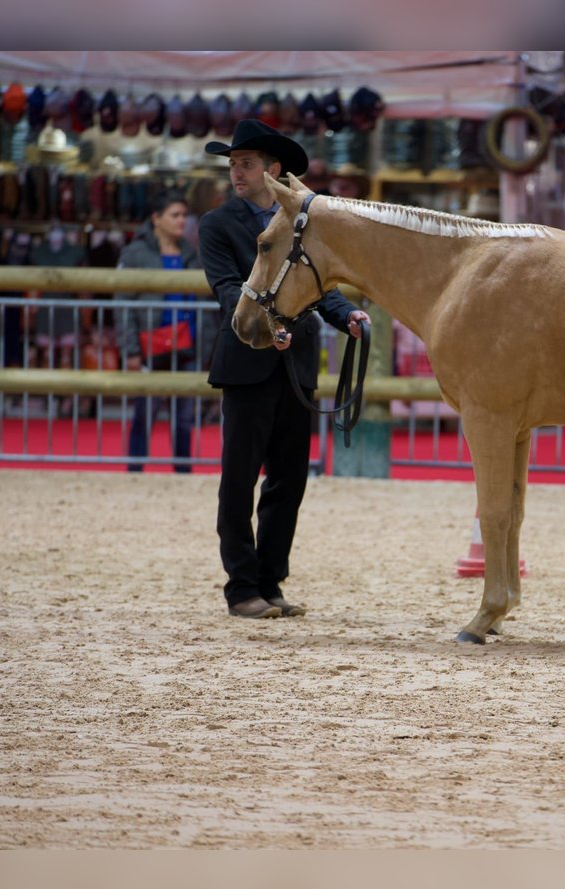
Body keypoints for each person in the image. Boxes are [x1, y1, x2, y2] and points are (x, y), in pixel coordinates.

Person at [200, 119, 370, 619]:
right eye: (233, 165)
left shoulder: (302, 223)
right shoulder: (217, 224)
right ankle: (241, 586)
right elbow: (227, 289)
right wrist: (266, 325)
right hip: (247, 358)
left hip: (295, 364)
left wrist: (348, 317)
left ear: (274, 171)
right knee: (239, 479)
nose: (237, 173)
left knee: (288, 479)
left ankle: (271, 581)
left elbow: (322, 287)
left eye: (246, 164)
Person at [116, 189, 204, 473]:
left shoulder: (192, 253)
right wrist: (129, 351)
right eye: (174, 215)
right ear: (156, 218)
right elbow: (123, 306)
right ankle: (135, 470)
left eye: (183, 215)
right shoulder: (134, 253)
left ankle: (182, 472)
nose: (181, 221)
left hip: (188, 345)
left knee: (184, 418)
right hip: (149, 346)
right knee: (144, 414)